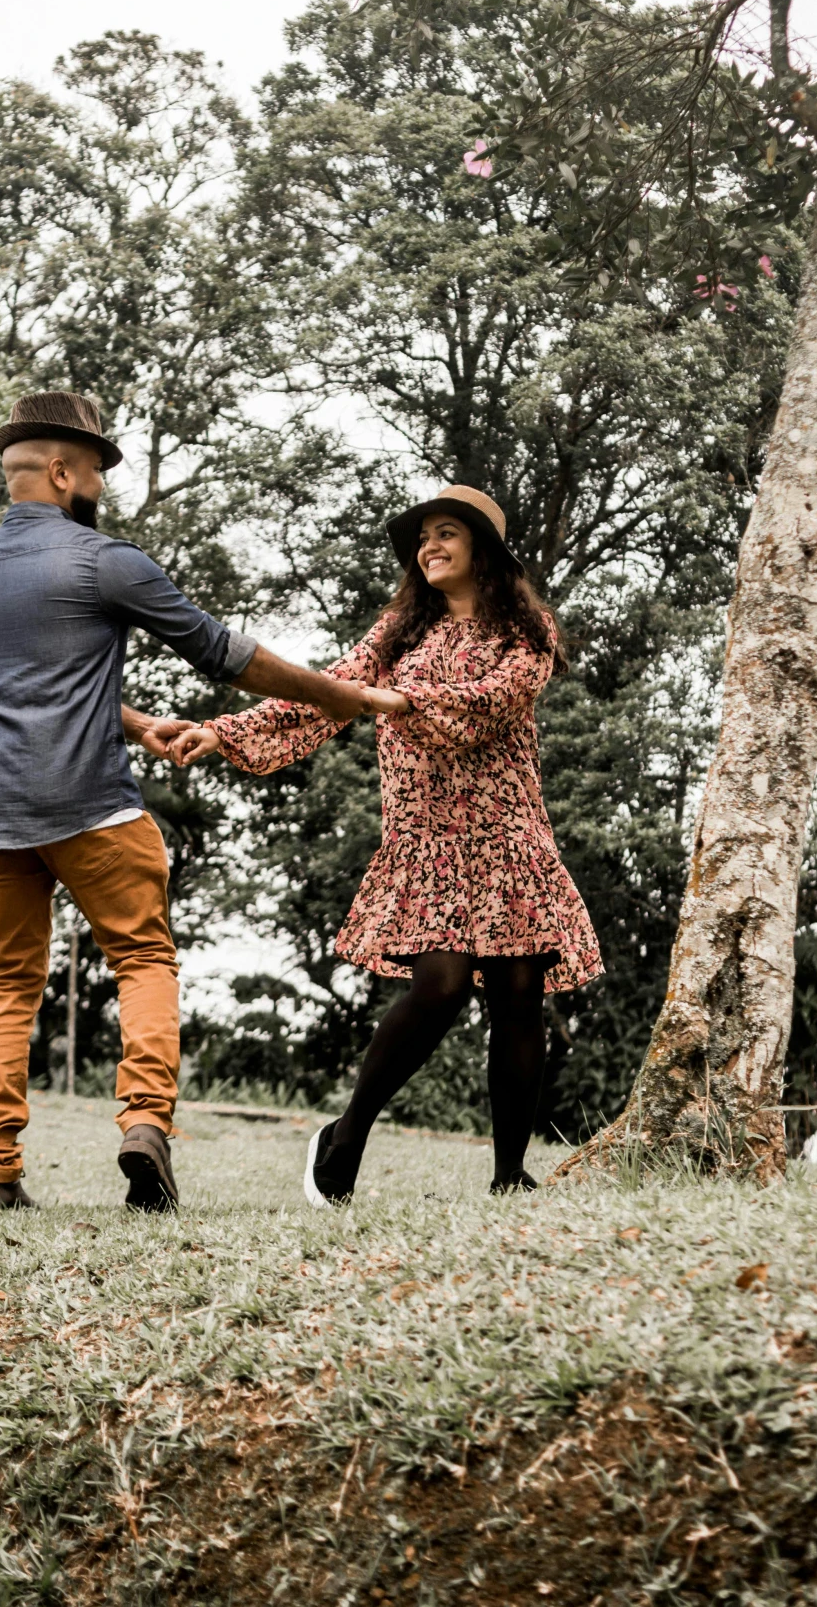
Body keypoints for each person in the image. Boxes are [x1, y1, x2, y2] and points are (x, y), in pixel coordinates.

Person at [0, 389, 390, 1215]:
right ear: (59, 469)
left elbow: (15, 687)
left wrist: (138, 720)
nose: (100, 490)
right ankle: (145, 1126)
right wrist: (340, 697)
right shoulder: (103, 559)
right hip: (95, 809)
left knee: (6, 987)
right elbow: (229, 657)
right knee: (144, 961)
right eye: (96, 473)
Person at [171, 485, 602, 1203]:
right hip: (428, 837)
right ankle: (345, 1138)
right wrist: (223, 732)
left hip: (507, 835)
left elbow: (486, 708)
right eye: (421, 538)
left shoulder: (526, 635)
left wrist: (396, 701)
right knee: (436, 988)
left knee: (519, 996)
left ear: (482, 550)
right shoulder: (398, 631)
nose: (428, 547)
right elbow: (328, 692)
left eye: (445, 534)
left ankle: (508, 1175)